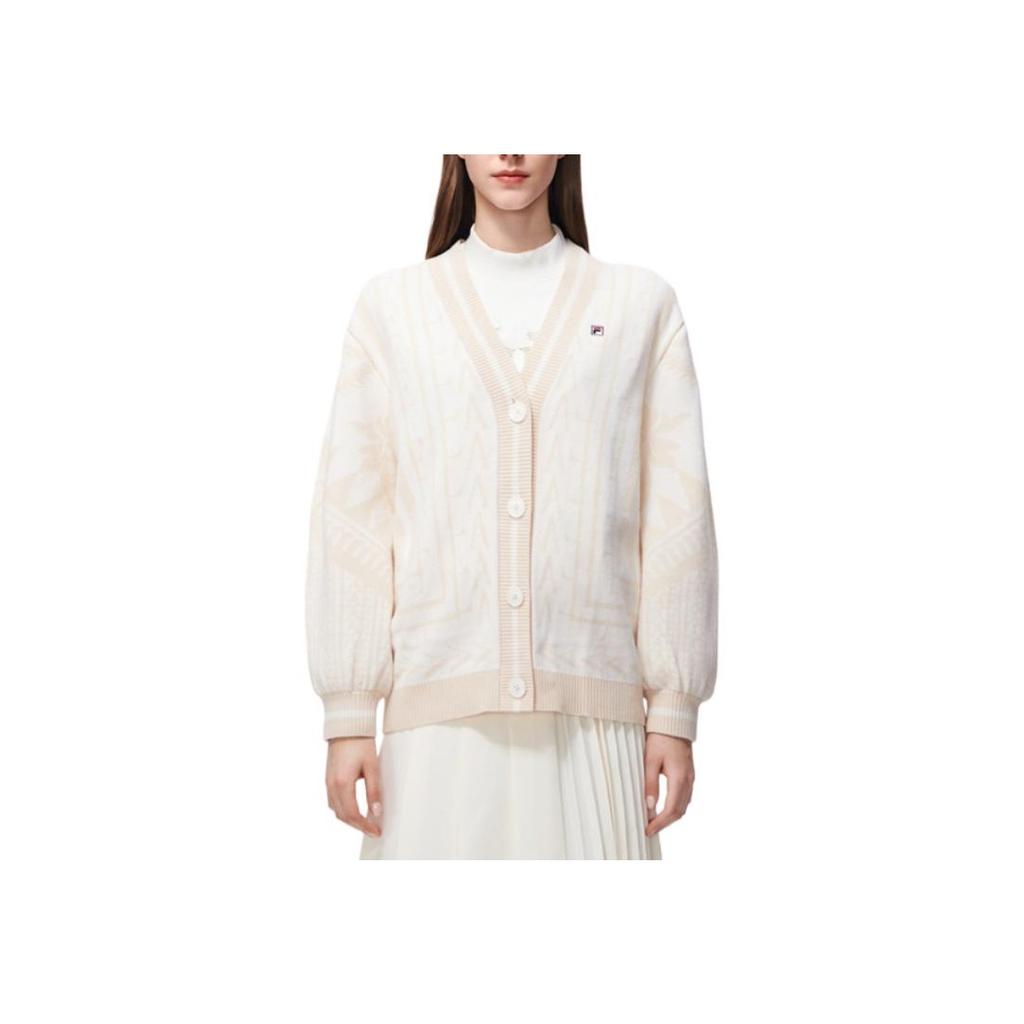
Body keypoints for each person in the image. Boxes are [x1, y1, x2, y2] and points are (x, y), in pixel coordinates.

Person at [305, 154, 719, 859]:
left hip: (593, 727)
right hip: (436, 731)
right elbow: (354, 516)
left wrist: (674, 712)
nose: (511, 150)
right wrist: (348, 715)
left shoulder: (639, 306)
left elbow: (677, 516)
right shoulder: (392, 310)